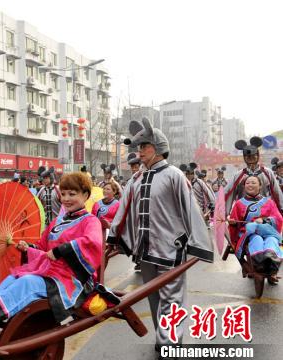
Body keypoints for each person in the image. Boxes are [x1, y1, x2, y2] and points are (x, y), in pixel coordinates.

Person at [0, 172, 103, 345]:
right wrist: (28, 247)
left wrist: (61, 250)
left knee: (28, 283)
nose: (66, 198)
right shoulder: (57, 223)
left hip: (71, 279)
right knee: (12, 278)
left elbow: (93, 243)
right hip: (50, 272)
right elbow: (42, 247)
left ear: (85, 195)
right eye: (64, 194)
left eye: (72, 194)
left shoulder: (90, 221)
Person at [107, 118, 213, 351]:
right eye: (138, 148)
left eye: (144, 147)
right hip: (145, 252)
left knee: (172, 299)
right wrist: (114, 237)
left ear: (157, 147)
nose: (139, 152)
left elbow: (190, 210)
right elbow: (124, 210)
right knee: (154, 298)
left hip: (170, 250)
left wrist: (197, 245)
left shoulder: (174, 175)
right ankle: (163, 337)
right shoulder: (137, 178)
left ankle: (170, 343)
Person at [228, 175, 282, 284]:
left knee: (271, 240)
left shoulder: (269, 202)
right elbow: (235, 225)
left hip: (268, 233)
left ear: (260, 186)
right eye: (247, 183)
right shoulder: (239, 204)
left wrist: (265, 220)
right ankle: (259, 265)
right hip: (249, 234)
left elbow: (278, 219)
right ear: (244, 186)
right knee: (256, 238)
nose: (250, 185)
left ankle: (272, 268)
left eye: (253, 182)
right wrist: (233, 223)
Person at [224, 137, 283, 215]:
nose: (251, 158)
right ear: (244, 157)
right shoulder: (238, 175)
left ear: (258, 155)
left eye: (253, 156)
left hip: (265, 213)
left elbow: (276, 193)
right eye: (248, 157)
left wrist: (281, 210)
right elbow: (228, 193)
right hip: (243, 214)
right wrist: (225, 213)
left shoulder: (268, 173)